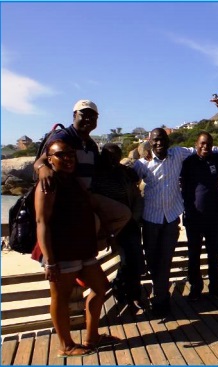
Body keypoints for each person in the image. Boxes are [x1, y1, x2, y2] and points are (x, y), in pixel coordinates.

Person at [34, 140, 119, 357]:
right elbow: (41, 222)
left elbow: (90, 205)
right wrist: (50, 260)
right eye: (61, 155)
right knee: (60, 298)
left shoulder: (72, 180)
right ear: (50, 159)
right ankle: (66, 345)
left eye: (71, 154)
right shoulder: (48, 183)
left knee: (101, 288)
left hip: (83, 249)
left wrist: (107, 231)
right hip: (61, 251)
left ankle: (92, 337)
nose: (68, 158)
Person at [33, 100, 131, 252]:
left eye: (93, 117)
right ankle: (83, 253)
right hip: (67, 196)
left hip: (87, 194)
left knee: (123, 214)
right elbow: (42, 160)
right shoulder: (64, 137)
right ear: (74, 115)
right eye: (84, 115)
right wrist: (42, 168)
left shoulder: (91, 144)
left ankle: (92, 249)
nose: (88, 119)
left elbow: (100, 167)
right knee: (94, 221)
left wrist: (123, 169)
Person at [132, 128, 197, 318]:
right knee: (153, 261)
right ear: (149, 142)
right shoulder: (142, 164)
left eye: (162, 140)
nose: (159, 143)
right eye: (155, 141)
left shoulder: (177, 153)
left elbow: (201, 149)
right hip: (151, 219)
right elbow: (128, 181)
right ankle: (160, 294)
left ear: (168, 141)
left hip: (170, 218)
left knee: (165, 260)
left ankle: (161, 299)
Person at [91, 143, 146, 314]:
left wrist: (135, 219)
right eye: (108, 156)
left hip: (130, 224)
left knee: (136, 260)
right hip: (111, 227)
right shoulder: (96, 176)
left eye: (116, 156)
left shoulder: (125, 173)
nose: (112, 159)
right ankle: (124, 291)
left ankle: (133, 293)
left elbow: (137, 196)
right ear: (102, 156)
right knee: (126, 261)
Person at [180, 133, 218, 302]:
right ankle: (196, 287)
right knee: (194, 254)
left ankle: (215, 288)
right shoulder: (188, 162)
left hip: (214, 216)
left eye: (208, 144)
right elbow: (182, 186)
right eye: (202, 144)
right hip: (193, 217)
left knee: (214, 254)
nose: (205, 147)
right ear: (196, 144)